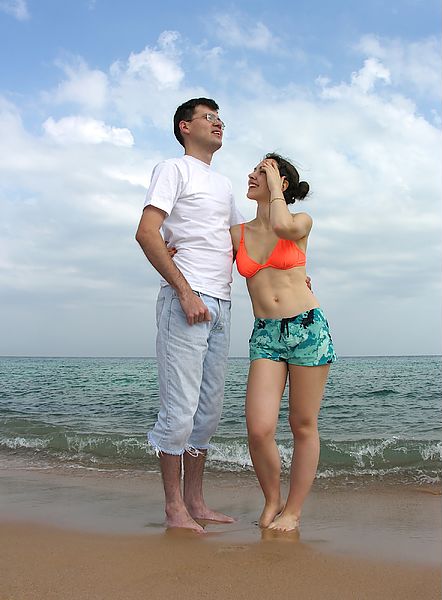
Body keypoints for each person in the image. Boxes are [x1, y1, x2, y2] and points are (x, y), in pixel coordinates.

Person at [135, 97, 243, 533]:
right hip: (187, 298)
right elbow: (147, 232)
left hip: (222, 303)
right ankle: (173, 507)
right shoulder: (172, 169)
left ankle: (196, 501)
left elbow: (243, 245)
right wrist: (183, 290)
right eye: (208, 117)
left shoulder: (225, 185)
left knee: (208, 412)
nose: (218, 123)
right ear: (185, 127)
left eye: (220, 118)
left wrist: (294, 273)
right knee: (179, 411)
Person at [230, 153, 336, 532]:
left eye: (263, 170)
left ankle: (293, 510)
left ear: (283, 184)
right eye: (254, 169)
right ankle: (272, 500)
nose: (252, 174)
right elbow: (206, 260)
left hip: (307, 328)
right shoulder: (237, 233)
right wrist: (177, 253)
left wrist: (274, 188)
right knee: (258, 428)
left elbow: (283, 227)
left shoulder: (300, 222)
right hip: (266, 335)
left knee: (302, 423)